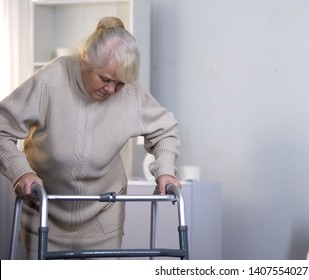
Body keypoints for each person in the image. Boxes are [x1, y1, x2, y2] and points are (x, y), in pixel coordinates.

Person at [0, 16, 181, 259]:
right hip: (45, 211)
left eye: (119, 84)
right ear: (85, 60)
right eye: (105, 79)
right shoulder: (50, 81)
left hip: (103, 216)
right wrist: (21, 172)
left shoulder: (133, 94)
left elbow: (165, 131)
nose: (111, 90)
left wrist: (166, 170)